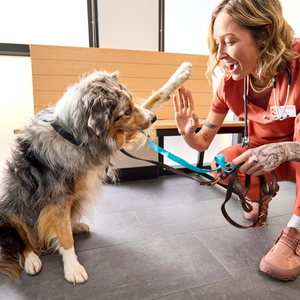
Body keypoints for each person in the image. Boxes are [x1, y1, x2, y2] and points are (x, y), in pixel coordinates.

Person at [173, 0, 300, 281]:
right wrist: (187, 134)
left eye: (229, 42)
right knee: (226, 162)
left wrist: (283, 149)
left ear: (264, 36)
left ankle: (296, 231)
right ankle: (259, 196)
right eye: (217, 44)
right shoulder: (230, 84)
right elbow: (203, 141)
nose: (219, 55)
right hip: (263, 159)